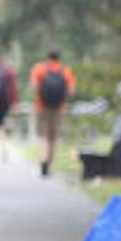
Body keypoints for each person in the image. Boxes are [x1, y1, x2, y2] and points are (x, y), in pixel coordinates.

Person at [29, 49, 75, 178]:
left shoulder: (39, 68)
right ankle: (49, 163)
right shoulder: (65, 70)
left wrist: (42, 92)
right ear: (59, 57)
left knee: (42, 135)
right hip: (59, 108)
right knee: (53, 137)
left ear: (47, 56)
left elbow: (33, 86)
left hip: (41, 106)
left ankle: (43, 160)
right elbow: (71, 90)